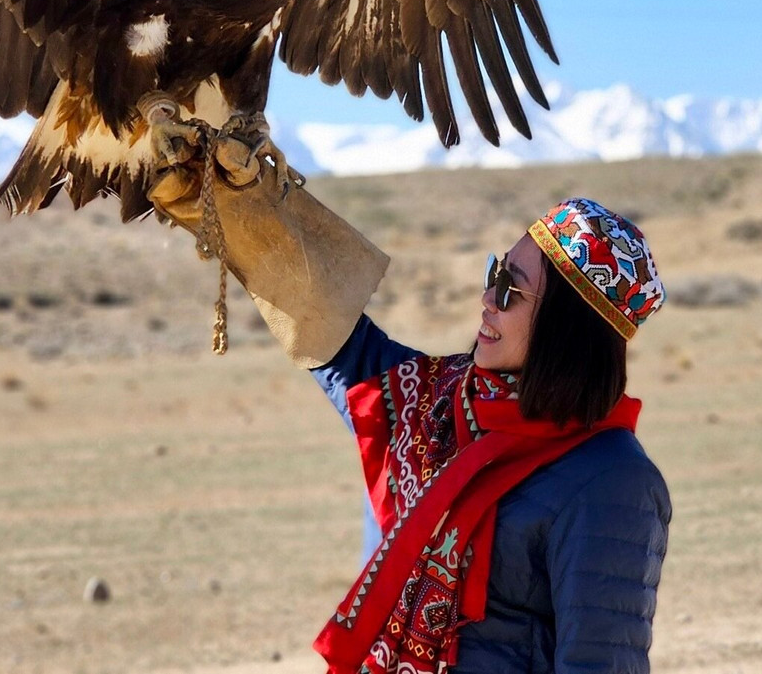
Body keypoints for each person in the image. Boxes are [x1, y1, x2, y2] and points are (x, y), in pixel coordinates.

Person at [149, 153, 670, 673]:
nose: (488, 298)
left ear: (565, 327)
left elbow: (600, 662)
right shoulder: (438, 402)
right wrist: (236, 204)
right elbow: (332, 330)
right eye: (495, 273)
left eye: (511, 288)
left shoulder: (613, 480)